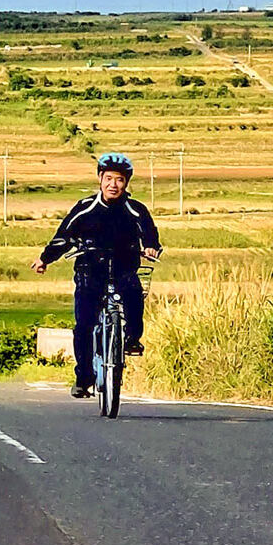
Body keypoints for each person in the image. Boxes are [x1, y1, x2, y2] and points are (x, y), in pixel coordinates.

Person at [31, 152, 162, 398]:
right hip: (90, 270)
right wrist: (45, 259)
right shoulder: (85, 208)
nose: (114, 184)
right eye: (109, 178)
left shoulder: (136, 210)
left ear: (127, 183)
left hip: (124, 268)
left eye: (120, 180)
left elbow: (150, 235)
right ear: (100, 179)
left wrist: (151, 247)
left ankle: (132, 339)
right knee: (84, 325)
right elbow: (64, 237)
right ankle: (84, 378)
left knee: (134, 297)